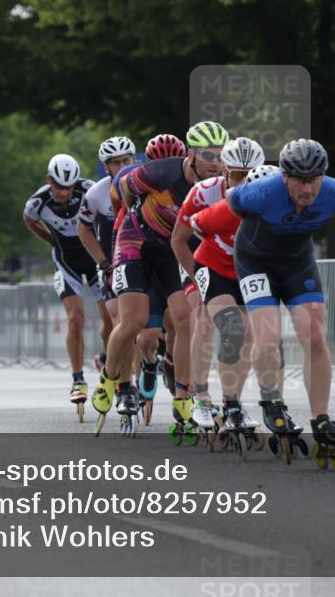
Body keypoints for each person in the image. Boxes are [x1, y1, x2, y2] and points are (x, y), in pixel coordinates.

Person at [91, 123, 225, 436]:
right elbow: (122, 187)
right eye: (207, 155)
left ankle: (182, 397)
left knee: (185, 319)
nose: (215, 162)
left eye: (220, 156)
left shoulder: (218, 185)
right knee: (134, 322)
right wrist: (128, 214)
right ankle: (110, 377)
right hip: (136, 241)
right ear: (190, 154)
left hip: (172, 250)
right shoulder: (162, 173)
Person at [227, 139, 335, 456]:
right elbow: (233, 200)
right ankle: (270, 397)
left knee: (313, 332)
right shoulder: (258, 193)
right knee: (267, 333)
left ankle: (321, 418)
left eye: (315, 179)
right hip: (255, 260)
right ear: (285, 176)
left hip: (297, 262)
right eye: (300, 180)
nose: (308, 189)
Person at [178, 162, 280, 436]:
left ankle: (231, 403)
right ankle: (199, 396)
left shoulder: (283, 215)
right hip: (211, 266)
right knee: (226, 327)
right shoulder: (227, 208)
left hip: (246, 273)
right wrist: (194, 280)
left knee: (247, 336)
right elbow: (190, 230)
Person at [23, 154, 104, 407]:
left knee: (113, 319)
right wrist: (50, 240)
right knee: (75, 318)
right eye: (58, 186)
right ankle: (78, 378)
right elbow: (29, 219)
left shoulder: (89, 190)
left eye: (68, 187)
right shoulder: (38, 201)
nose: (64, 192)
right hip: (65, 262)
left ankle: (105, 359)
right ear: (49, 180)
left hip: (94, 259)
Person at [77, 136, 136, 380]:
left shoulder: (146, 185)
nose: (123, 166)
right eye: (116, 163)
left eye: (127, 160)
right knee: (119, 320)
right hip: (112, 264)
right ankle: (123, 381)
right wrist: (102, 262)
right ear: (106, 167)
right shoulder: (96, 194)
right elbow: (83, 229)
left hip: (142, 261)